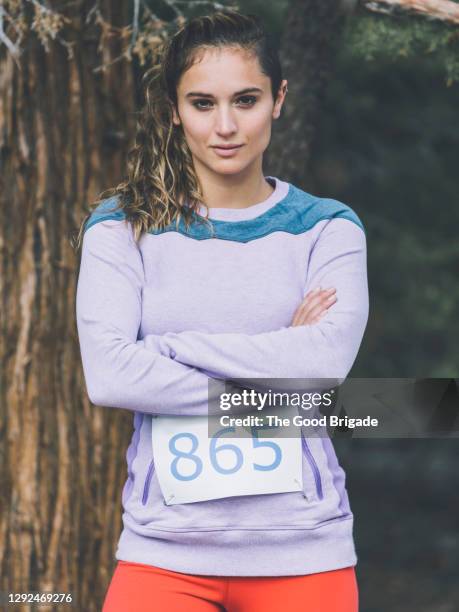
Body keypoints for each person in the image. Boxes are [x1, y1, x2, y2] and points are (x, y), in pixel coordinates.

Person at [75, 9, 369, 612]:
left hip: (304, 550)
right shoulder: (120, 229)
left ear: (279, 99)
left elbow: (326, 368)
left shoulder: (327, 230)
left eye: (247, 99)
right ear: (173, 109)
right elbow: (109, 375)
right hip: (165, 553)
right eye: (203, 103)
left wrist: (165, 350)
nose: (226, 125)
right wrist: (278, 372)